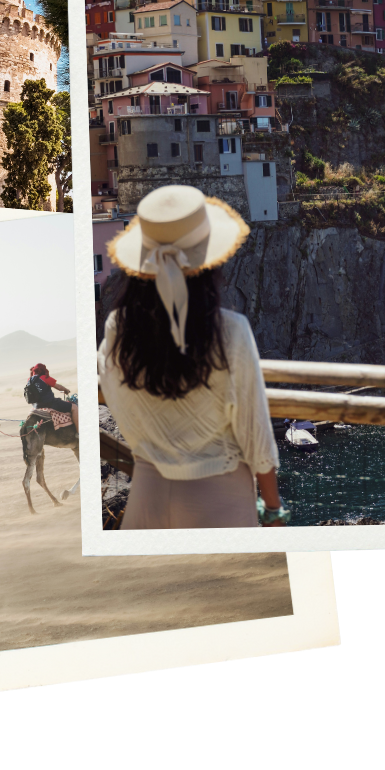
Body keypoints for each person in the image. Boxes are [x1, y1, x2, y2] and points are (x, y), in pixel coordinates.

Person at [97, 185, 289, 529]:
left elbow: (116, 402)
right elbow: (256, 437)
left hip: (146, 502)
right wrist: (273, 511)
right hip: (220, 506)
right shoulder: (230, 332)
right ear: (209, 261)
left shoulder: (116, 330)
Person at [26, 363, 78, 431]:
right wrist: (66, 390)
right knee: (74, 407)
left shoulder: (29, 380)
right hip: (50, 404)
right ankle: (79, 432)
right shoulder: (45, 378)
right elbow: (59, 387)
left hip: (36, 406)